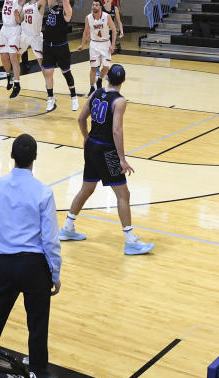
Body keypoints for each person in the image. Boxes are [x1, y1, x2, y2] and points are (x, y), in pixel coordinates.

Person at [0, 134, 61, 372]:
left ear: (11, 156)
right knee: (37, 326)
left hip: (4, 264)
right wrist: (54, 274)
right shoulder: (43, 192)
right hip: (35, 267)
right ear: (35, 158)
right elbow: (51, 240)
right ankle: (37, 375)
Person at [59, 65, 154, 255]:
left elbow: (80, 119)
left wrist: (86, 137)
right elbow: (116, 130)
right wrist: (122, 159)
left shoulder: (96, 93)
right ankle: (130, 241)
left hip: (92, 145)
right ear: (123, 81)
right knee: (123, 194)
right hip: (107, 150)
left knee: (87, 188)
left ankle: (67, 228)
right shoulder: (120, 101)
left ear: (107, 77)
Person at [0, 0, 50, 99]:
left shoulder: (21, 0)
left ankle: (17, 83)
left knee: (14, 57)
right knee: (4, 57)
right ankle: (9, 76)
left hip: (17, 31)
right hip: (5, 29)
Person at [42, 0, 80, 112]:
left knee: (66, 72)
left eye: (64, 1)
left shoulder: (67, 13)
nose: (60, 1)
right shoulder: (53, 8)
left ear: (68, 4)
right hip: (48, 46)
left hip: (61, 47)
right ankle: (50, 98)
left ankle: (74, 97)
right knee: (48, 73)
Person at [76, 0, 117, 96]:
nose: (94, 6)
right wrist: (82, 44)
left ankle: (99, 80)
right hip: (94, 44)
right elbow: (86, 32)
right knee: (93, 68)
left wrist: (113, 44)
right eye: (93, 4)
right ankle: (91, 87)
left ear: (100, 7)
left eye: (96, 5)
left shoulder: (107, 17)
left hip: (105, 43)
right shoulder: (88, 18)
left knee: (106, 67)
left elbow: (114, 30)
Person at [18, 0, 48, 70]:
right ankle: (14, 78)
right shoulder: (25, 5)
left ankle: (48, 83)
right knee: (16, 56)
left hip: (35, 36)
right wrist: (15, 15)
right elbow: (19, 20)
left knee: (41, 61)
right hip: (24, 35)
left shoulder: (39, 5)